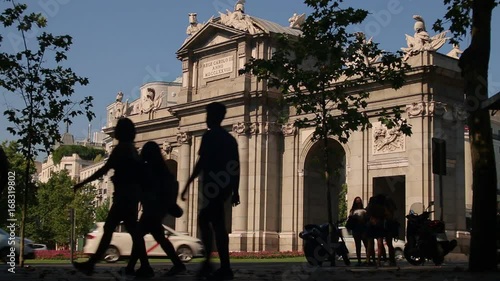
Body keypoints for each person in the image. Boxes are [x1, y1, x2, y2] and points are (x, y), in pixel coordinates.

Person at [72, 118, 153, 278]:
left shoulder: (122, 149)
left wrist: (81, 183)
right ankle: (145, 266)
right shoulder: (131, 150)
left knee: (111, 229)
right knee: (133, 231)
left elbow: (104, 169)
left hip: (123, 197)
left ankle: (91, 264)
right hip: (130, 196)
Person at [181, 102, 240, 280]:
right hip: (223, 187)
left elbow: (201, 162)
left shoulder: (209, 136)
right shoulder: (230, 139)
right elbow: (236, 166)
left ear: (214, 117)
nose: (206, 119)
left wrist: (187, 183)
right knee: (217, 223)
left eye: (208, 115)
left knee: (207, 220)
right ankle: (222, 265)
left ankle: (212, 263)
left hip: (212, 186)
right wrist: (235, 190)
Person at [125, 141, 186, 277]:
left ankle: (143, 267)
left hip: (151, 210)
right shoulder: (162, 169)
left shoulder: (148, 169)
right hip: (158, 210)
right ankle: (177, 264)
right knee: (157, 237)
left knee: (139, 236)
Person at [366, 194, 398, 267]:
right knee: (385, 244)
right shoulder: (385, 207)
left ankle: (376, 260)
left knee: (372, 244)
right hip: (383, 225)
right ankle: (383, 260)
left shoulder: (374, 207)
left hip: (381, 226)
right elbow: (390, 216)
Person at [348, 197, 368, 266]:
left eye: (359, 202)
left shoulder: (364, 211)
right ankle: (359, 260)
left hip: (363, 229)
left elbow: (366, 220)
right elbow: (350, 220)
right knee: (358, 245)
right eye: (357, 202)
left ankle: (367, 260)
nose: (358, 203)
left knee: (366, 245)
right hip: (356, 229)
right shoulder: (352, 211)